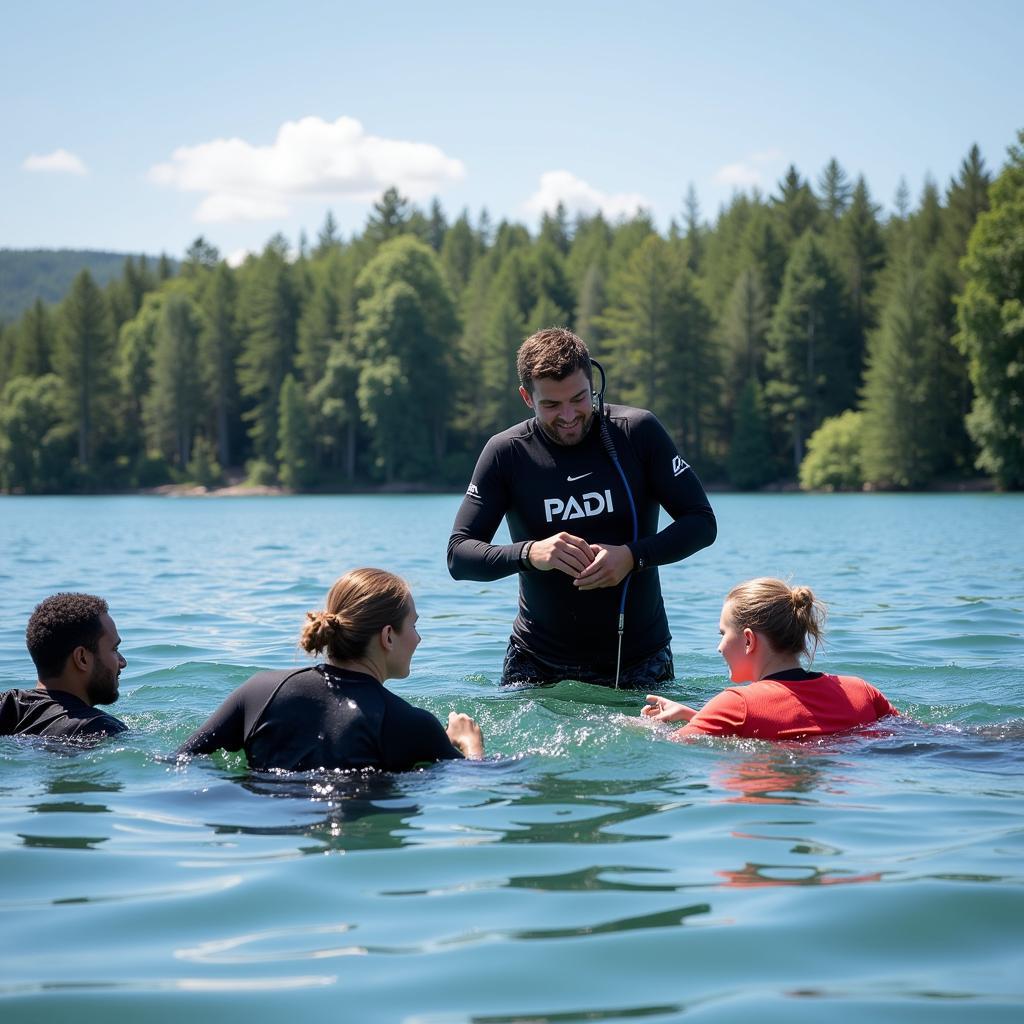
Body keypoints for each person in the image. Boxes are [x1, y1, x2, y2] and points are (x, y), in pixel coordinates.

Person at [447, 326, 717, 688]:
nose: (570, 415)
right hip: (537, 663)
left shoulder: (637, 432)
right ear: (527, 397)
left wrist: (631, 556)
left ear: (593, 383)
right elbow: (459, 555)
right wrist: (531, 552)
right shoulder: (506, 453)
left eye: (579, 398)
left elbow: (701, 522)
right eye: (551, 405)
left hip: (638, 659)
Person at [177, 568, 484, 771]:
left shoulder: (260, 690)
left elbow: (180, 761)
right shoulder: (410, 724)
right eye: (414, 625)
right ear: (388, 636)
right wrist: (470, 746)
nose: (418, 638)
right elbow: (474, 786)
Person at [642, 578, 899, 740]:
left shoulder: (736, 705)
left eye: (723, 634)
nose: (719, 647)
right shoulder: (860, 690)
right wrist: (698, 717)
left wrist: (641, 725)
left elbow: (672, 743)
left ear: (748, 640)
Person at [1, 593, 128, 739]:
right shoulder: (99, 728)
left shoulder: (7, 704)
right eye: (114, 649)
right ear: (82, 658)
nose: (123, 662)